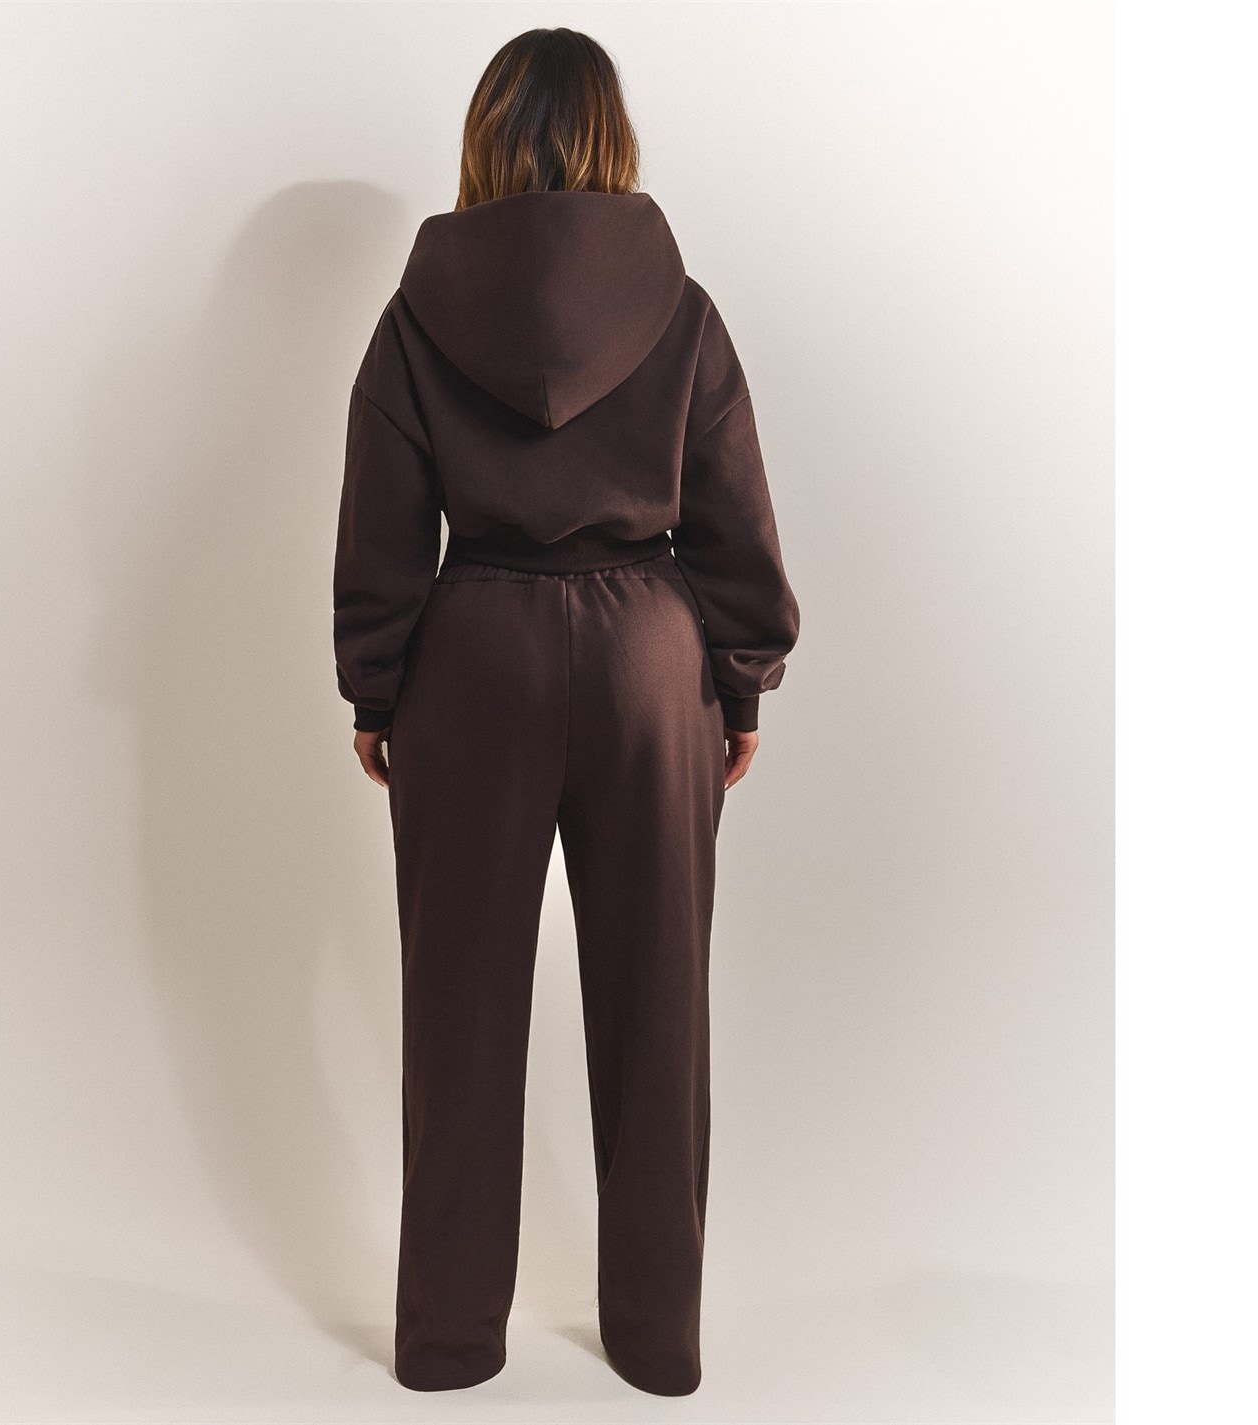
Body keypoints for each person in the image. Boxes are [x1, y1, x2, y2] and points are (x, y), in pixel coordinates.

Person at [331, 26, 801, 1398]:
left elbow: (380, 520)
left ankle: (447, 1340)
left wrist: (377, 683)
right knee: (658, 1005)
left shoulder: (416, 315)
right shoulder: (681, 309)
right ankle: (655, 1339)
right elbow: (731, 511)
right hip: (650, 661)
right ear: (612, 137)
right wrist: (738, 675)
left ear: (485, 138)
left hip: (471, 657)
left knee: (458, 1012)